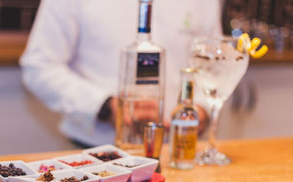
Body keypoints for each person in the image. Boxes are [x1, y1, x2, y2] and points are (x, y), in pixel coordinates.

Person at [20, 0, 222, 147]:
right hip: (94, 151)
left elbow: (215, 65)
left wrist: (201, 109)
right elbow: (38, 66)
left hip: (176, 150)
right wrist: (106, 106)